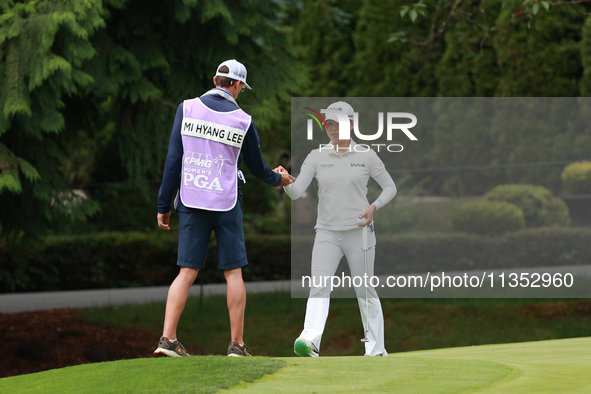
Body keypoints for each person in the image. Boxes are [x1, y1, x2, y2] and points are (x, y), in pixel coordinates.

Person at [154, 59, 293, 358]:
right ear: (236, 84)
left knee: (186, 271)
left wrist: (163, 204)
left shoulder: (186, 108)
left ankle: (167, 339)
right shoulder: (243, 120)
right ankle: (237, 345)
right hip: (226, 202)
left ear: (215, 79)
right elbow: (256, 167)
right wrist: (278, 179)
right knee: (233, 273)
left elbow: (173, 160)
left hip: (191, 199)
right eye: (242, 86)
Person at [278, 101, 397, 357]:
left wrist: (374, 206)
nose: (332, 128)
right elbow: (297, 192)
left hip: (360, 233)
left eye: (337, 123)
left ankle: (376, 349)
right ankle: (309, 342)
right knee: (319, 286)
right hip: (327, 233)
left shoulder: (366, 155)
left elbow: (390, 187)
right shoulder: (316, 156)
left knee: (364, 288)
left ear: (351, 125)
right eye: (328, 124)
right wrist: (286, 181)